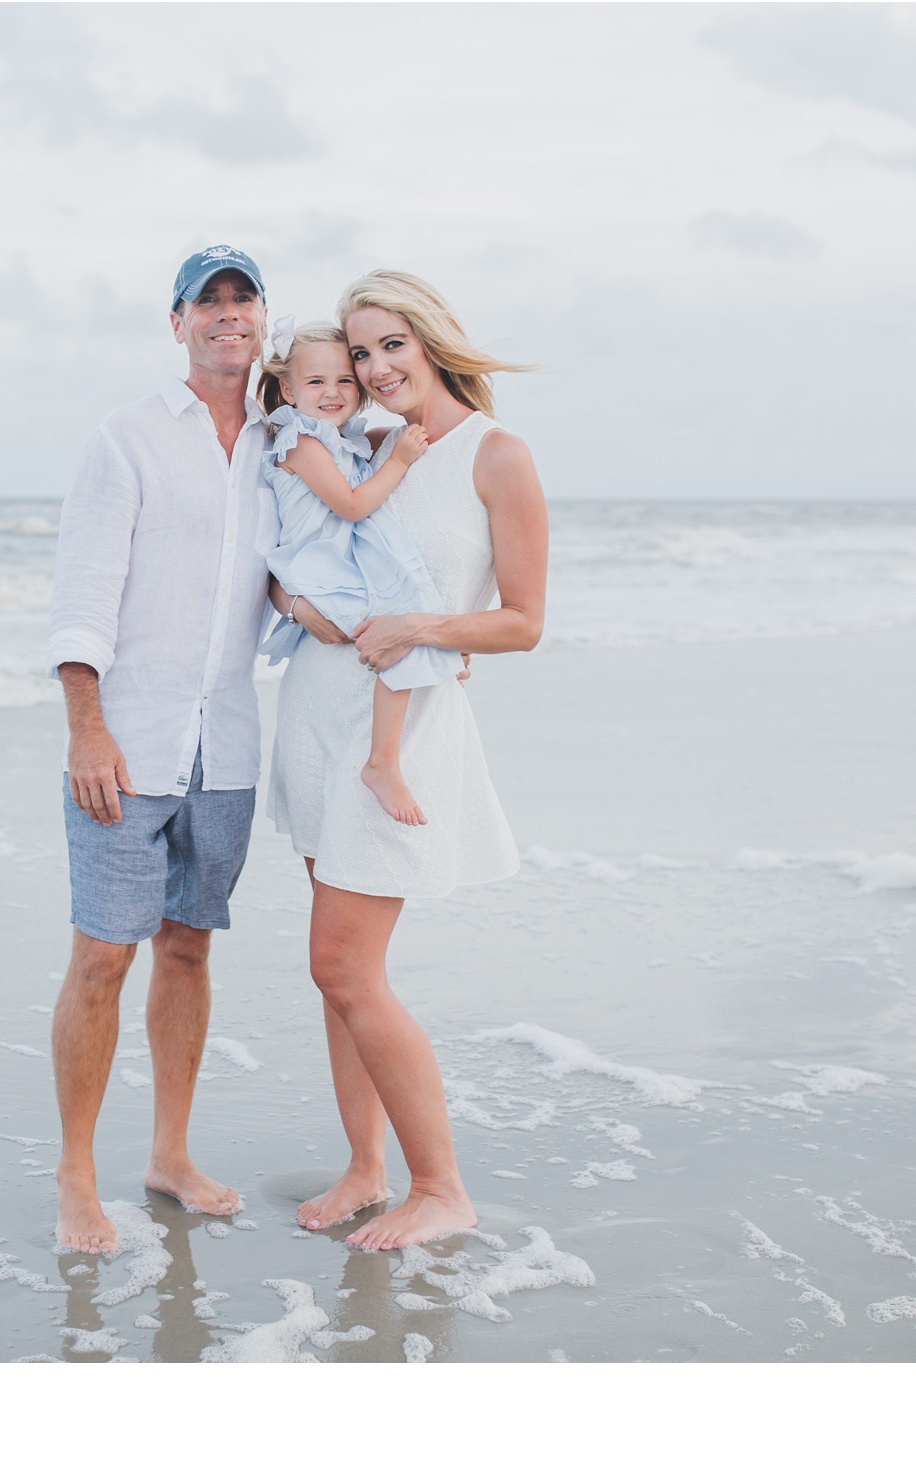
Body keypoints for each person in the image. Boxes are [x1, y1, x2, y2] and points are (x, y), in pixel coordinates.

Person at [265, 269, 547, 1251]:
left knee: (342, 963)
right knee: (339, 975)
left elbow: (521, 620)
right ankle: (364, 1168)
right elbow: (302, 554)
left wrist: (426, 626)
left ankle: (441, 1186)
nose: (374, 367)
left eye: (391, 344)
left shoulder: (494, 454)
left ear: (432, 340)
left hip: (401, 735)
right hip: (315, 714)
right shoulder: (361, 447)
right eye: (359, 351)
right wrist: (288, 605)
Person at [44, 246, 274, 1256]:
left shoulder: (289, 440)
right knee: (103, 956)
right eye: (206, 301)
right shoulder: (127, 437)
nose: (227, 314)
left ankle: (169, 1155)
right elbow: (82, 594)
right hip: (127, 745)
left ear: (265, 318)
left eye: (243, 297)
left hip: (224, 746)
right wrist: (85, 727)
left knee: (188, 945)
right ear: (176, 321)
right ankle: (75, 1181)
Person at [254, 317, 449, 825]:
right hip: (318, 570)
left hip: (338, 565)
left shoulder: (342, 439)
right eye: (316, 382)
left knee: (412, 625)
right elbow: (352, 506)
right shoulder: (299, 441)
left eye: (344, 379)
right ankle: (382, 763)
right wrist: (400, 460)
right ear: (287, 389)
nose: (333, 392)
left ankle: (428, 684)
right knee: (399, 631)